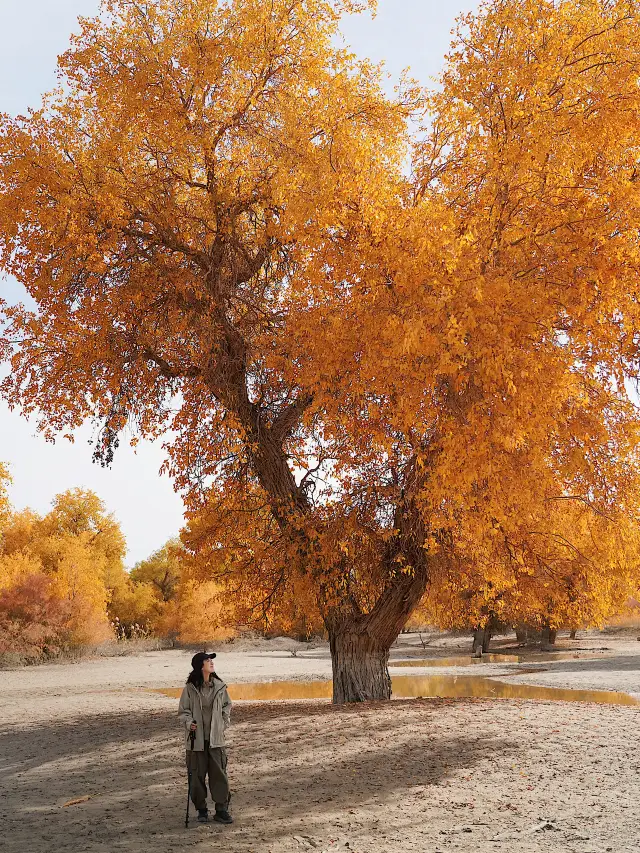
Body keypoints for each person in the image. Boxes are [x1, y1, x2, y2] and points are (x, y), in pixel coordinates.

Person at [178, 651, 233, 824]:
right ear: (199, 665)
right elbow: (183, 711)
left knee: (219, 776)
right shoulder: (190, 688)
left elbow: (227, 705)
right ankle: (201, 810)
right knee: (196, 777)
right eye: (207, 660)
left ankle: (221, 810)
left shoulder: (220, 686)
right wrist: (189, 723)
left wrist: (223, 722)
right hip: (196, 741)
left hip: (216, 740)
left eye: (211, 660)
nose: (211, 662)